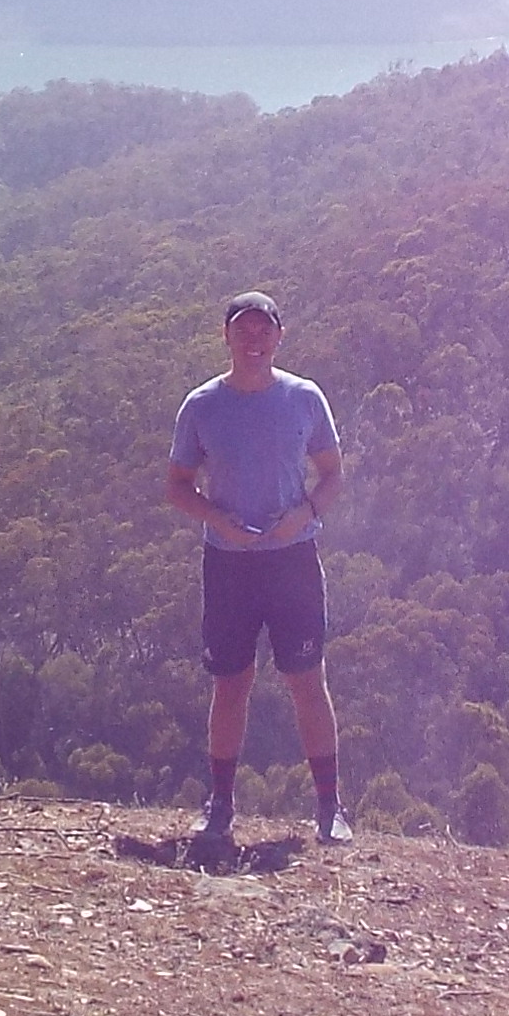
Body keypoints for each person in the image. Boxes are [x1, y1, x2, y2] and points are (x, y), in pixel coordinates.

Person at [162, 291, 345, 860]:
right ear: (227, 337)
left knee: (306, 679)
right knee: (231, 682)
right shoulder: (201, 406)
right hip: (229, 565)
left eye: (264, 330)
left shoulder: (304, 398)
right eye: (243, 330)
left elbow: (333, 475)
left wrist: (305, 513)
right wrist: (219, 521)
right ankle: (220, 805)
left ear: (279, 336)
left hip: (293, 561)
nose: (254, 340)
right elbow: (177, 486)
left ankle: (330, 807)